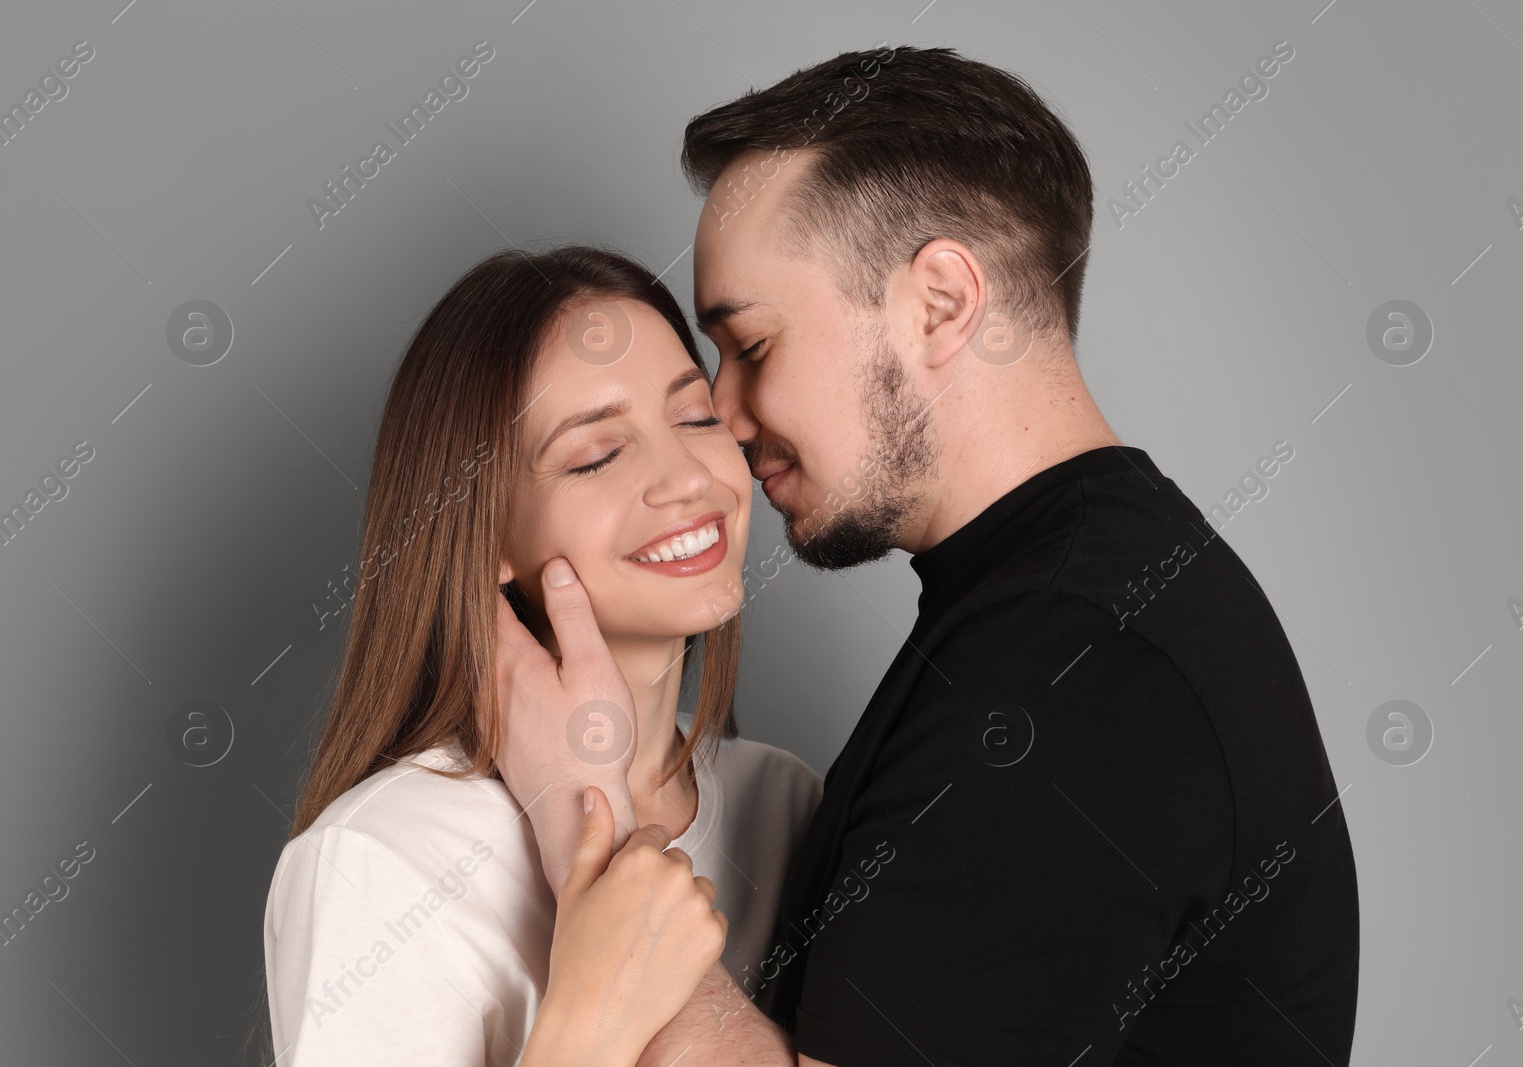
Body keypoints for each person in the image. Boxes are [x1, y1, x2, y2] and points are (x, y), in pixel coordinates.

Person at [543, 44, 1359, 1066]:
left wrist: (589, 808)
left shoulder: (1072, 661)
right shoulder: (1075, 600)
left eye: (750, 345)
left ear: (938, 301)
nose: (720, 409)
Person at [256, 246, 823, 1066]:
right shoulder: (382, 856)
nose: (686, 478)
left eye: (696, 417)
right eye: (597, 454)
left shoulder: (786, 804)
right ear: (484, 535)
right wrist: (591, 1011)